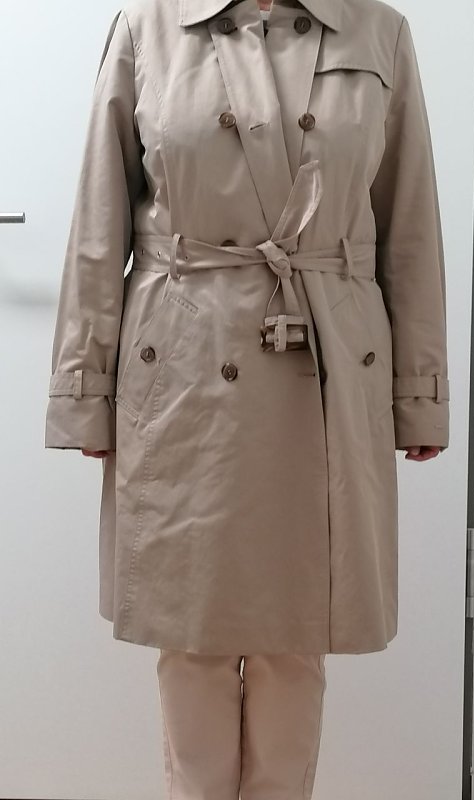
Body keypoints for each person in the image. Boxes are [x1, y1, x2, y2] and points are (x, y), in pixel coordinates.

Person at [44, 0, 450, 797]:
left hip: (326, 367)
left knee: (296, 641)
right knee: (190, 638)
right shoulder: (150, 26)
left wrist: (419, 390)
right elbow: (98, 223)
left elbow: (410, 226)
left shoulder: (378, 31)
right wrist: (85, 385)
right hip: (183, 365)